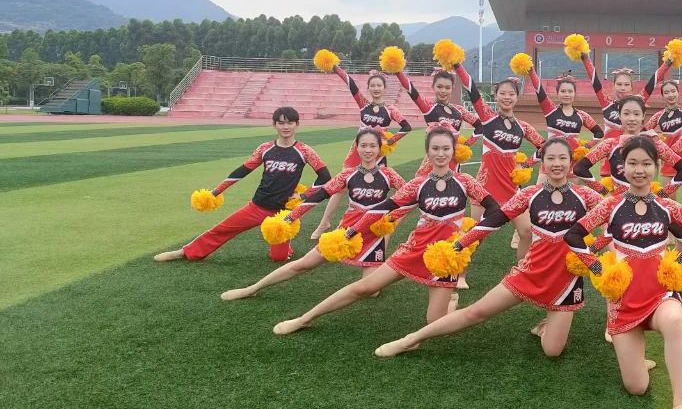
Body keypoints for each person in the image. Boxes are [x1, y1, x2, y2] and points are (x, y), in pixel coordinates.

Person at [372, 138, 605, 360]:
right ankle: (411, 339)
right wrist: (459, 244)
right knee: (476, 312)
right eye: (551, 158)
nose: (557, 164)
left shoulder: (585, 195)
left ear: (570, 162)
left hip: (566, 279)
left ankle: (546, 326)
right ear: (542, 162)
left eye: (562, 158)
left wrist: (594, 250)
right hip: (530, 272)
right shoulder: (529, 194)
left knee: (552, 352)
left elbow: (613, 220)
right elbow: (492, 221)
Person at [271, 127, 500, 337]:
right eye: (435, 149)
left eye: (445, 149)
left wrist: (468, 238)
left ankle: (451, 301)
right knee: (364, 288)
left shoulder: (466, 181)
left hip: (446, 256)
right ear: (428, 152)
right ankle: (304, 319)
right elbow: (382, 209)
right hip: (414, 249)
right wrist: (351, 232)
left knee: (434, 323)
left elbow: (494, 211)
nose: (440, 154)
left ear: (453, 151)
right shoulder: (417, 184)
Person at [566, 135, 682, 409]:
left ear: (656, 167)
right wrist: (597, 267)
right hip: (624, 298)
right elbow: (573, 236)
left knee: (674, 320)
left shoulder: (666, 206)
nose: (639, 170)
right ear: (621, 167)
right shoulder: (610, 206)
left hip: (661, 292)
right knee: (637, 387)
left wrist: (681, 262)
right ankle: (637, 357)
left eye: (646, 164)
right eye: (632, 163)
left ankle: (680, 402)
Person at [219, 128, 406, 300]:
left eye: (372, 146)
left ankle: (380, 271)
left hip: (373, 235)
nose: (368, 150)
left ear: (380, 148)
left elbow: (411, 197)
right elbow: (319, 196)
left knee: (371, 292)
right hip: (344, 233)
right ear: (356, 148)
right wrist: (291, 217)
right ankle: (252, 288)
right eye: (363, 145)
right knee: (303, 264)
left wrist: (391, 219)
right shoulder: (347, 175)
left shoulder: (389, 174)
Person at [155, 107, 331, 264]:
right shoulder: (265, 148)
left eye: (290, 123)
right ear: (274, 125)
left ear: (297, 124)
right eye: (281, 123)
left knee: (278, 258)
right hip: (258, 205)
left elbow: (325, 177)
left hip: (283, 214)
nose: (286, 127)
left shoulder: (305, 151)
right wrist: (216, 191)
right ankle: (185, 252)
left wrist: (303, 196)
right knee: (222, 229)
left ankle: (286, 248)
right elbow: (243, 171)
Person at [452, 63, 545, 261]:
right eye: (502, 93)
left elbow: (545, 147)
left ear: (517, 97)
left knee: (527, 232)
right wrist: (458, 66)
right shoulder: (488, 118)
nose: (507, 97)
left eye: (511, 94)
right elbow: (473, 91)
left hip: (512, 190)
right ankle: (459, 274)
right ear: (495, 96)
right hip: (485, 188)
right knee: (473, 236)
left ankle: (521, 271)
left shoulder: (523, 127)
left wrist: (526, 164)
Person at [311, 64, 413, 238]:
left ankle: (373, 225)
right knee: (340, 188)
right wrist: (336, 68)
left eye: (379, 85)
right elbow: (350, 83)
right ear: (369, 88)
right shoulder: (364, 104)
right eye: (372, 85)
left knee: (377, 189)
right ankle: (324, 223)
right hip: (356, 152)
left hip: (377, 154)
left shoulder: (390, 110)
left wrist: (389, 141)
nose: (376, 88)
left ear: (384, 88)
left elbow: (406, 127)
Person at [572, 94, 682, 191]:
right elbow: (580, 168)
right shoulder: (610, 144)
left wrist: (663, 193)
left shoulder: (654, 144)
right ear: (619, 116)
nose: (631, 118)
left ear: (643, 116)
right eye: (626, 113)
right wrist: (603, 191)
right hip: (618, 205)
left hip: (647, 204)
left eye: (636, 114)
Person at [393, 66, 479, 171]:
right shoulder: (428, 108)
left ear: (452, 88)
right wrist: (397, 70)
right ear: (433, 86)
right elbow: (411, 90)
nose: (443, 91)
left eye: (447, 88)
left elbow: (480, 126)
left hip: (454, 163)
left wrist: (466, 144)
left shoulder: (460, 110)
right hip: (433, 163)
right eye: (439, 87)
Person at [526, 67, 605, 149]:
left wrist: (586, 147)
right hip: (553, 155)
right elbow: (539, 90)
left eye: (570, 91)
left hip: (573, 156)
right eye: (563, 91)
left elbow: (599, 133)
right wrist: (532, 72)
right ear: (557, 93)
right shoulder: (551, 110)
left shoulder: (582, 116)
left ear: (574, 93)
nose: (567, 94)